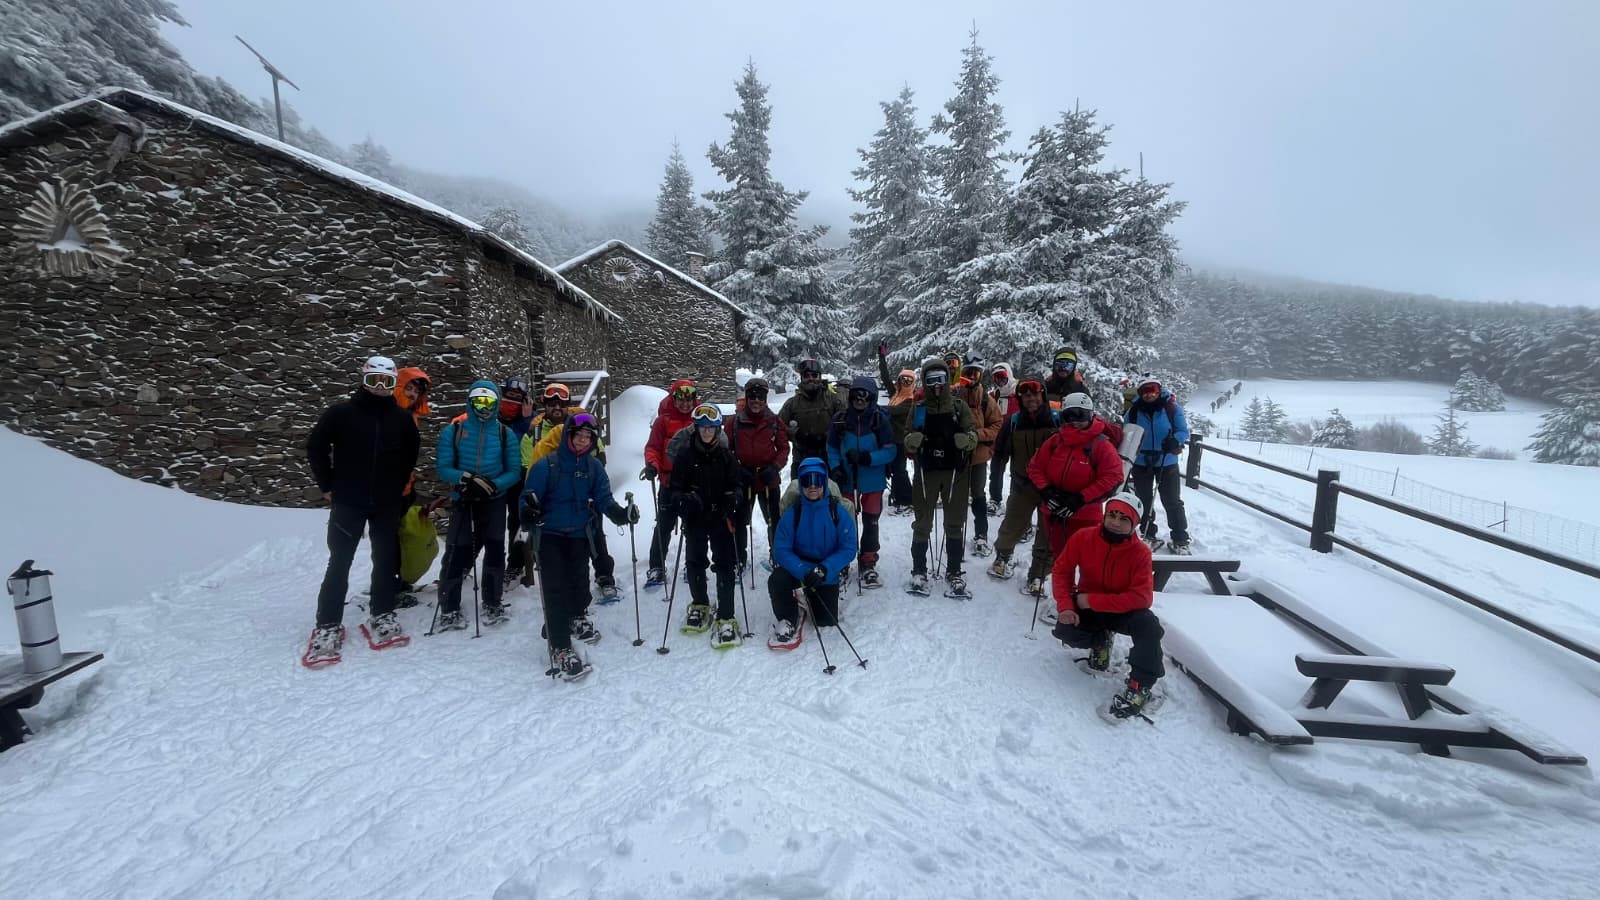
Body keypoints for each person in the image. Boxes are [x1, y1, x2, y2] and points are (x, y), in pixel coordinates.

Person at [303, 356, 421, 667]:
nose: (380, 388)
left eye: (387, 383)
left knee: (384, 560)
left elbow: (411, 454)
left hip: (385, 502)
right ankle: (327, 624)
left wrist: (397, 485)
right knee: (339, 561)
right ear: (364, 380)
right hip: (348, 501)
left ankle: (381, 613)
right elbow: (316, 446)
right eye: (374, 382)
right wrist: (327, 484)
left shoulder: (401, 419)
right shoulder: (341, 413)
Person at [521, 413, 639, 681]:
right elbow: (527, 499)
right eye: (579, 436)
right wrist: (527, 513)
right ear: (568, 436)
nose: (583, 441)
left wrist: (622, 514)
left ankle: (576, 616)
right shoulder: (546, 466)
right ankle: (560, 646)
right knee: (555, 587)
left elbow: (603, 499)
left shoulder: (593, 467)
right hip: (549, 534)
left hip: (578, 534)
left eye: (588, 438)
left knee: (578, 580)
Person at [1051, 490, 1165, 721]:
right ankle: (1100, 641)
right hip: (1089, 607)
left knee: (1149, 626)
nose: (1116, 522)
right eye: (1112, 515)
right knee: (1065, 629)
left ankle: (1140, 684)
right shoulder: (1084, 537)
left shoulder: (1141, 552)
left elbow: (1143, 598)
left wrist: (1091, 600)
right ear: (1104, 516)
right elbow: (1062, 571)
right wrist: (1066, 606)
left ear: (1135, 524)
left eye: (1124, 519)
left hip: (1122, 611)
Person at [434, 380, 523, 630]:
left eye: (489, 402)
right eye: (479, 401)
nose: (484, 407)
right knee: (457, 550)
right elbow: (443, 467)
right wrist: (465, 479)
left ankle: (492, 601)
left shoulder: (505, 434)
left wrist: (494, 485)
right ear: (470, 401)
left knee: (495, 550)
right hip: (463, 498)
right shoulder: (454, 431)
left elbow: (514, 470)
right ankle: (449, 607)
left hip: (493, 499)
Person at [525, 384, 620, 602]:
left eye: (561, 403)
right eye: (551, 403)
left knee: (594, 540)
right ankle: (558, 613)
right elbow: (528, 463)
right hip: (552, 501)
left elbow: (599, 458)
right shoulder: (537, 430)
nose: (556, 407)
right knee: (558, 558)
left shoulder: (587, 425)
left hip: (585, 493)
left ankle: (603, 576)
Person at [669, 403, 745, 647]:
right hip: (696, 519)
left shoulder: (725, 456)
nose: (706, 432)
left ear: (717, 429)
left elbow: (737, 485)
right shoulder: (684, 455)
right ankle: (700, 603)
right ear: (696, 429)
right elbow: (674, 489)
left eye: (710, 428)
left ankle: (726, 615)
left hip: (720, 518)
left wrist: (732, 497)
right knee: (694, 560)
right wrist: (682, 500)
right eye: (702, 428)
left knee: (724, 564)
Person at [903, 356, 979, 597]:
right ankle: (919, 570)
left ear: (948, 379)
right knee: (923, 521)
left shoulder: (959, 406)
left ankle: (955, 571)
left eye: (941, 379)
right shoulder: (919, 407)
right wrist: (910, 441)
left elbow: (973, 433)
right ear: (925, 381)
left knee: (954, 521)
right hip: (927, 472)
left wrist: (968, 441)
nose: (937, 384)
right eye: (931, 379)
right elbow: (907, 437)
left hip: (955, 471)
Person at [767, 458, 859, 647]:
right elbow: (781, 549)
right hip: (799, 568)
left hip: (825, 572)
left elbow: (849, 547)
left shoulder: (837, 511)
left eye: (818, 480)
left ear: (824, 482)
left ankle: (808, 596)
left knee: (825, 620)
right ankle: (787, 617)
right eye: (807, 481)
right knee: (777, 579)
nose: (813, 486)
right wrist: (802, 570)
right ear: (801, 483)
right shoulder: (794, 512)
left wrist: (825, 569)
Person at [1026, 392, 1125, 564]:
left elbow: (1113, 477)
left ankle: (1084, 590)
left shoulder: (1101, 445)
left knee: (1088, 560)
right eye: (1069, 415)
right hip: (1055, 512)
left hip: (1086, 515)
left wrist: (1080, 498)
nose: (1075, 421)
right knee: (1061, 559)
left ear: (1091, 415)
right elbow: (1035, 467)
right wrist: (1046, 491)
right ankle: (1062, 589)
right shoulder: (1056, 441)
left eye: (1081, 414)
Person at [988, 380, 1061, 597]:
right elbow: (1000, 454)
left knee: (1047, 532)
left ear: (1043, 395)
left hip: (1052, 488)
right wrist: (996, 482)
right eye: (1025, 395)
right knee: (1013, 524)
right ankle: (1002, 557)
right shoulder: (1014, 422)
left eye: (1035, 394)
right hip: (1022, 484)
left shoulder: (1059, 420)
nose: (1031, 398)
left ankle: (1038, 573)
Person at [825, 376, 897, 589]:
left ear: (872, 398)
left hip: (872, 481)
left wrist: (868, 458)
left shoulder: (878, 420)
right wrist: (836, 468)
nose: (860, 400)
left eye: (864, 396)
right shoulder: (840, 420)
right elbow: (831, 448)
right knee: (845, 522)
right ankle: (843, 561)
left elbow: (891, 450)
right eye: (856, 395)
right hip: (846, 479)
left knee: (870, 522)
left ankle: (868, 561)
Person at [725, 377, 789, 574]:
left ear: (765, 398)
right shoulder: (734, 422)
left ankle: (776, 555)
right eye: (752, 396)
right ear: (746, 396)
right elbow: (726, 451)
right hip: (744, 478)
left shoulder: (775, 421)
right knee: (740, 520)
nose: (756, 401)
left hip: (768, 479)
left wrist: (775, 467)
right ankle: (739, 559)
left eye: (760, 397)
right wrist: (737, 468)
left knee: (773, 520)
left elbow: (784, 448)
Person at [1124, 374, 1192, 554]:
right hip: (1141, 461)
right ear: (1140, 393)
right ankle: (1148, 534)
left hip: (1166, 460)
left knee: (1172, 500)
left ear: (1159, 390)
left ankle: (1180, 537)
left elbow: (1183, 430)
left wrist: (1175, 441)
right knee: (1143, 499)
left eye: (1152, 390)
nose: (1149, 394)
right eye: (1145, 391)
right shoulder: (1133, 411)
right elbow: (1126, 433)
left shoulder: (1171, 408)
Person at [641, 379, 700, 586]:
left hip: (693, 482)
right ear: (673, 399)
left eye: (689, 399)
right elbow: (653, 448)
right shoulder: (662, 421)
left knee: (693, 526)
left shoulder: (698, 419)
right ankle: (656, 566)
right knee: (664, 525)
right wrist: (652, 465)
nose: (685, 404)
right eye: (680, 400)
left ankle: (692, 564)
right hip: (668, 481)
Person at [390, 366, 434, 607]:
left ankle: (399, 583)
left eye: (417, 390)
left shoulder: (409, 416)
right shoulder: (388, 415)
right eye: (408, 387)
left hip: (404, 489)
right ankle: (389, 589)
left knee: (401, 539)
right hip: (389, 491)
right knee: (389, 542)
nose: (413, 394)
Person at [957, 361, 1004, 559]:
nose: (971, 378)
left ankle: (981, 533)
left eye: (975, 374)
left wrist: (978, 435)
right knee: (956, 496)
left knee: (978, 495)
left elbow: (997, 424)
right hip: (956, 455)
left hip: (977, 456)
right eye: (967, 373)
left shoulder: (986, 399)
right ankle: (954, 533)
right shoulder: (955, 395)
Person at [494, 377, 536, 585]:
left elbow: (527, 443)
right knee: (490, 524)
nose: (514, 402)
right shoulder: (491, 416)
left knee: (516, 522)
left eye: (518, 398)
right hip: (493, 476)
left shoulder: (529, 419)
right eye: (510, 397)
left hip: (519, 477)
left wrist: (527, 419)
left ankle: (515, 564)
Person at [779, 358, 844, 477]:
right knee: (798, 493)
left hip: (828, 458)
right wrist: (792, 433)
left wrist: (833, 434)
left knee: (830, 493)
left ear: (820, 377)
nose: (811, 379)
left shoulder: (832, 399)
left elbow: (845, 423)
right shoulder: (792, 403)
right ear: (801, 378)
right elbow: (778, 427)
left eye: (814, 375)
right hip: (801, 458)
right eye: (806, 375)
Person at [876, 342, 917, 513]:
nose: (906, 382)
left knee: (900, 470)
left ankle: (908, 499)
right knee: (894, 469)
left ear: (913, 382)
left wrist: (877, 409)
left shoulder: (911, 400)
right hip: (892, 439)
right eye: (903, 379)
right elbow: (885, 378)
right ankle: (897, 494)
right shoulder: (897, 394)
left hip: (901, 440)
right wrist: (882, 357)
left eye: (909, 380)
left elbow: (893, 411)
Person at [987, 361, 1018, 514]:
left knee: (1017, 472)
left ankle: (1015, 501)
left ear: (1009, 374)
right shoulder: (994, 395)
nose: (999, 381)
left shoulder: (1019, 391)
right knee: (996, 470)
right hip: (1000, 438)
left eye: (1002, 376)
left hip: (1017, 437)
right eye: (996, 378)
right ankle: (995, 499)